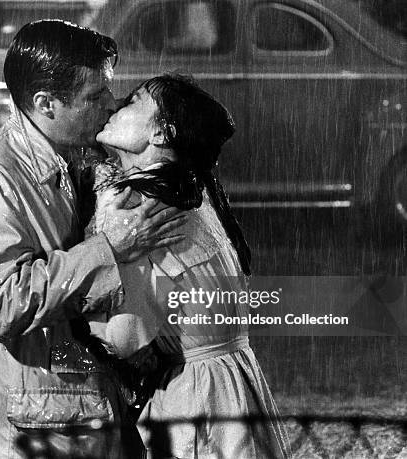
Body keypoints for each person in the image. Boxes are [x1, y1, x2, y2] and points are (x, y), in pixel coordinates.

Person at [0, 21, 186, 459]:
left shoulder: (75, 156)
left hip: (71, 417)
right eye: (95, 96)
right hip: (21, 435)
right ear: (45, 103)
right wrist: (108, 250)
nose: (111, 106)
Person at [88, 74, 291, 458]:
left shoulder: (138, 206)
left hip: (194, 398)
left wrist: (100, 262)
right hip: (234, 383)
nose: (116, 107)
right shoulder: (194, 193)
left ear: (162, 134)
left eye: (133, 102)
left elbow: (125, 338)